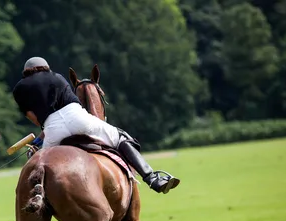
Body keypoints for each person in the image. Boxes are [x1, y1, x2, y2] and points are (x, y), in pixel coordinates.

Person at [12, 57, 180, 194]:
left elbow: (32, 116)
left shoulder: (19, 89)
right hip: (78, 118)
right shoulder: (57, 77)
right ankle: (152, 178)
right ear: (45, 68)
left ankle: (42, 203)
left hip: (53, 129)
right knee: (119, 137)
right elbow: (72, 106)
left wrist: (44, 131)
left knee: (41, 165)